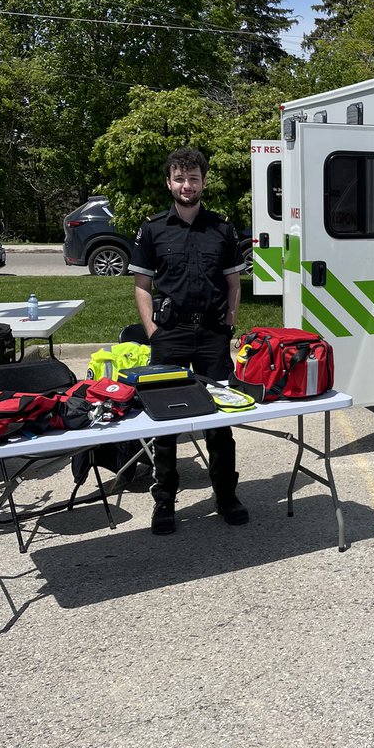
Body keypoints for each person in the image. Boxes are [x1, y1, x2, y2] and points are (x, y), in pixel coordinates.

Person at [128, 147, 248, 535]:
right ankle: (165, 502)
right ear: (169, 183)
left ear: (203, 182)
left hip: (212, 334)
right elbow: (142, 286)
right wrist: (152, 332)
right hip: (170, 336)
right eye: (179, 178)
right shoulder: (152, 229)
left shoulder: (223, 228)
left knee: (219, 421)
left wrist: (229, 322)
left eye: (193, 178)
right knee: (166, 423)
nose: (186, 185)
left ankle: (226, 496)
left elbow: (233, 281)